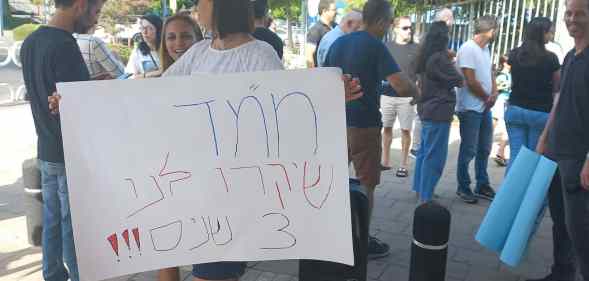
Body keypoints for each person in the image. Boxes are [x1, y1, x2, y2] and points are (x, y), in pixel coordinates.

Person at [161, 0, 361, 280]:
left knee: (210, 276)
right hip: (196, 188)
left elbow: (285, 114)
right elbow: (157, 96)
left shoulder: (258, 55)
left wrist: (327, 96)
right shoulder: (198, 53)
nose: (196, 7)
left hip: (233, 193)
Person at [20, 0, 107, 281]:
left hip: (45, 146)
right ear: (80, 6)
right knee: (75, 226)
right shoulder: (65, 45)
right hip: (70, 150)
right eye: (96, 11)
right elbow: (76, 104)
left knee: (53, 222)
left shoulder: (31, 42)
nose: (96, 19)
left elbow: (50, 95)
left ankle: (53, 275)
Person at [324, 0, 417, 260]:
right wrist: (417, 90)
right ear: (380, 21)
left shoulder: (339, 42)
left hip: (337, 121)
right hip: (364, 123)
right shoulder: (375, 45)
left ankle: (333, 235)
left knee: (334, 180)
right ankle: (361, 241)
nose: (388, 28)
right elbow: (400, 85)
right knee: (367, 184)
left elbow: (325, 80)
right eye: (388, 23)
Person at [535, 0, 589, 280]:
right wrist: (544, 137)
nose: (572, 19)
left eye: (580, 13)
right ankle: (562, 272)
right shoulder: (570, 56)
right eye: (569, 13)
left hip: (578, 157)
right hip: (556, 151)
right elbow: (559, 102)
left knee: (580, 228)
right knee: (559, 221)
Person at [156, 16, 203, 281]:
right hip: (168, 178)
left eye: (186, 36)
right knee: (166, 252)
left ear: (199, 39)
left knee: (207, 258)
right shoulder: (157, 80)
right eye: (171, 37)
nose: (178, 43)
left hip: (205, 178)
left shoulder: (214, 75)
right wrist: (69, 104)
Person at [412, 21, 463, 203]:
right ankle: (426, 196)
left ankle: (420, 189)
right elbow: (458, 79)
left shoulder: (426, 55)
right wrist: (452, 60)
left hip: (427, 108)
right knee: (435, 156)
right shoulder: (440, 58)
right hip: (438, 110)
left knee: (424, 152)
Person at [505, 17, 560, 170]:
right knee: (532, 158)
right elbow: (557, 88)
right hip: (540, 113)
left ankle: (509, 193)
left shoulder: (515, 55)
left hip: (515, 109)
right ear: (542, 33)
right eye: (549, 32)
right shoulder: (551, 59)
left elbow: (514, 80)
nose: (551, 36)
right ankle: (527, 193)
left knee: (516, 155)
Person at [455, 15, 498, 204]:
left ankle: (482, 184)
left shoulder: (486, 48)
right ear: (491, 30)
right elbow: (470, 81)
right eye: (496, 29)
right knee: (468, 150)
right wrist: (487, 97)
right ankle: (463, 187)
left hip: (484, 107)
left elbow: (490, 72)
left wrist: (494, 91)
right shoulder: (468, 48)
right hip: (470, 108)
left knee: (484, 148)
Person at [410, 7, 455, 158]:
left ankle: (418, 147)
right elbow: (457, 78)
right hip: (434, 99)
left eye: (450, 18)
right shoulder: (435, 44)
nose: (450, 22)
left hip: (429, 97)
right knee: (431, 156)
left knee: (425, 152)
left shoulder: (432, 42)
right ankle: (416, 146)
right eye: (447, 19)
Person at [379, 16, 418, 177]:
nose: (409, 30)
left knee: (405, 130)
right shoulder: (386, 47)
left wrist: (417, 92)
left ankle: (403, 164)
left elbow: (421, 72)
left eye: (410, 27)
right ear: (395, 29)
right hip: (387, 95)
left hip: (407, 97)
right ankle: (385, 161)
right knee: (386, 128)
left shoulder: (417, 48)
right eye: (405, 28)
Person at [126, 14, 163, 78]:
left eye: (149, 28)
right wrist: (154, 73)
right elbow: (130, 76)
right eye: (142, 28)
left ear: (159, 30)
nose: (144, 32)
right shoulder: (137, 52)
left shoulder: (168, 49)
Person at [492, 55, 511, 167]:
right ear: (504, 63)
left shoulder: (508, 75)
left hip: (504, 100)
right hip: (502, 100)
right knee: (502, 125)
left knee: (501, 124)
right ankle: (500, 152)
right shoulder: (502, 75)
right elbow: (496, 86)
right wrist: (503, 86)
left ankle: (500, 152)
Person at [306, 0, 337, 68]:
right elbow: (309, 55)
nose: (336, 12)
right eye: (333, 10)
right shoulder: (315, 30)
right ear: (324, 11)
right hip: (322, 73)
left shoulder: (336, 27)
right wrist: (314, 75)